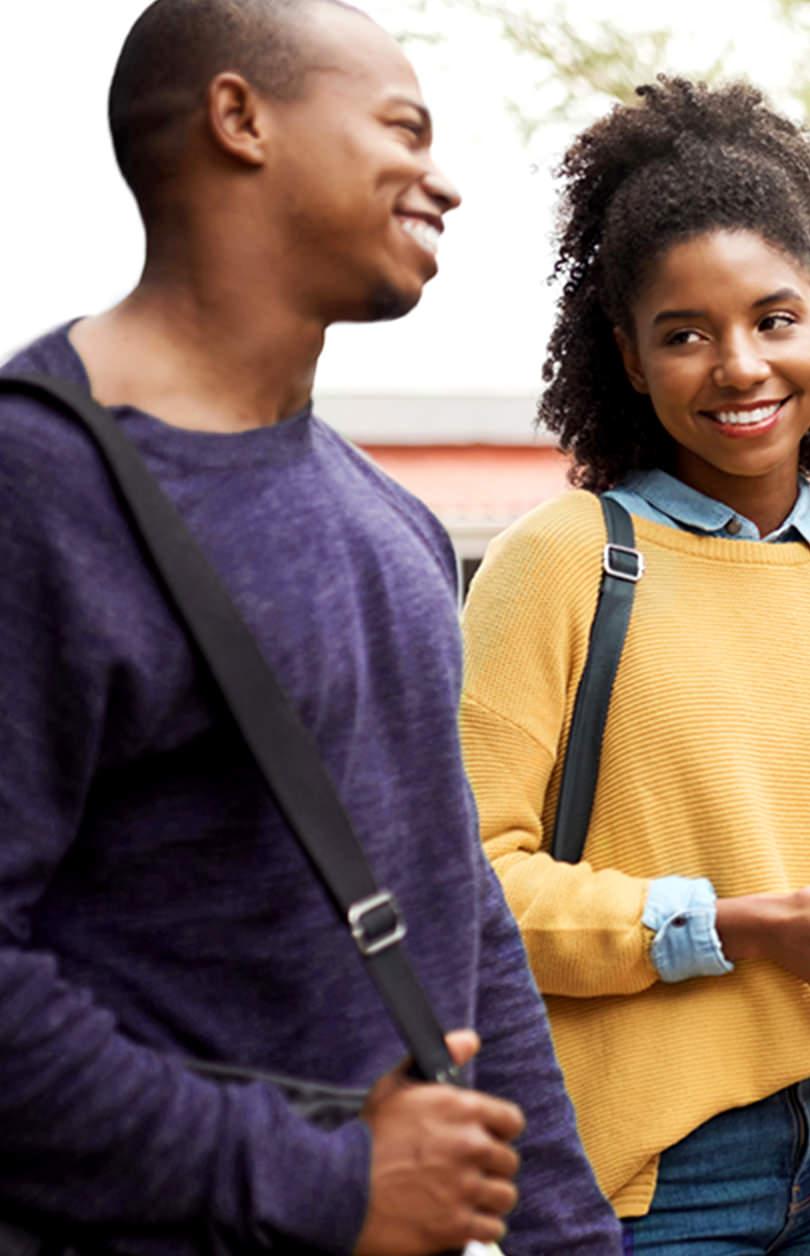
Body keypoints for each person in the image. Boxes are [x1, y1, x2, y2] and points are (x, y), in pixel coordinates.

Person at [0, 0, 622, 1252]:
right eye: (403, 129)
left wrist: (567, 1230)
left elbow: (456, 906)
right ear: (241, 118)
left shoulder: (391, 522)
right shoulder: (37, 484)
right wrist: (326, 1181)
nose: (443, 182)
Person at [458, 77, 810, 1253]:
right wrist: (739, 925)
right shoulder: (560, 562)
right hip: (652, 1159)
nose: (740, 364)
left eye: (773, 318)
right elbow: (475, 886)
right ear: (630, 358)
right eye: (685, 333)